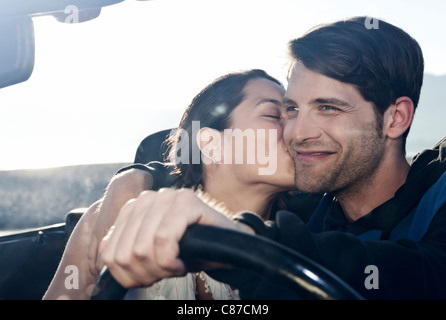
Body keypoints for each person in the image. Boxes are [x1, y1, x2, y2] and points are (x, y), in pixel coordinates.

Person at [98, 16, 446, 299]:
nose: (295, 132)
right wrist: (136, 179)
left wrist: (239, 243)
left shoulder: (438, 195)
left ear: (395, 118)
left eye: (327, 107)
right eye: (291, 108)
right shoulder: (306, 204)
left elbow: (426, 274)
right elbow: (216, 172)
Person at [43, 69, 298, 299]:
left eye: (294, 114)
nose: (296, 130)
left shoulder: (310, 236)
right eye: (274, 115)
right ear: (211, 145)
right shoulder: (109, 218)